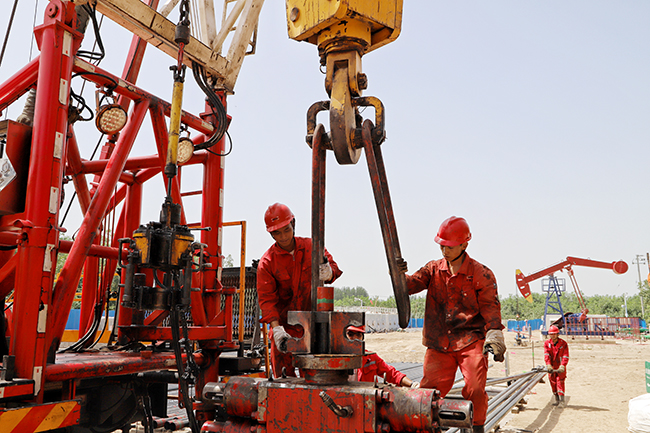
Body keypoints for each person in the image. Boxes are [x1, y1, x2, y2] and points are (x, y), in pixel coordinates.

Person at [397, 216, 506, 433]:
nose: (444, 251)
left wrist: (494, 334)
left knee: (475, 389)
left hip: (470, 341)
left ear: (464, 245)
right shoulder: (432, 269)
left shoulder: (481, 274)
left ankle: (476, 428)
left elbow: (490, 308)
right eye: (441, 246)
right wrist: (398, 274)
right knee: (427, 394)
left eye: (449, 246)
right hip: (439, 343)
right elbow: (409, 286)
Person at [257, 203, 342, 378]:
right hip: (283, 328)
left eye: (286, 230)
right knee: (283, 381)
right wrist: (277, 330)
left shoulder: (312, 247)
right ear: (271, 234)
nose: (283, 237)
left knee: (316, 378)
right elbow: (267, 300)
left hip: (312, 326)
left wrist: (329, 272)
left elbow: (333, 268)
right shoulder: (267, 263)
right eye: (277, 233)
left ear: (293, 224)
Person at [346, 325, 419, 388]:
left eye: (358, 335)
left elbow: (391, 374)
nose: (355, 339)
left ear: (362, 337)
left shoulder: (371, 358)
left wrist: (412, 384)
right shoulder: (339, 360)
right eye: (350, 334)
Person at [544, 325, 569, 406]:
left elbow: (565, 356)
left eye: (554, 334)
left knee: (560, 382)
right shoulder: (547, 343)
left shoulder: (563, 344)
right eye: (551, 334)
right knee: (553, 382)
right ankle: (557, 400)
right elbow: (547, 355)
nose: (553, 336)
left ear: (558, 334)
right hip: (552, 367)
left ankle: (562, 401)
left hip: (560, 367)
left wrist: (563, 365)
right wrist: (548, 365)